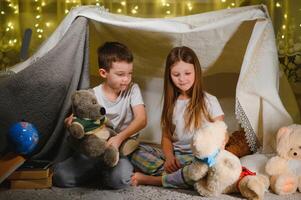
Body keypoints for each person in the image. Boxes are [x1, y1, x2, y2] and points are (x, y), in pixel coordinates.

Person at [53, 41, 147, 189]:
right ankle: (99, 170)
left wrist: (118, 138)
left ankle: (106, 172)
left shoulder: (132, 89)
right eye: (120, 74)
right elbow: (77, 119)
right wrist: (71, 121)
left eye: (130, 73)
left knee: (120, 181)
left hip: (119, 148)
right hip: (95, 149)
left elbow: (141, 120)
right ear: (104, 73)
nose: (126, 79)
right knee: (60, 177)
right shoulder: (92, 94)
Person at [130, 46, 224, 188]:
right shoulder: (172, 103)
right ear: (169, 75)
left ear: (196, 72)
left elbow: (222, 132)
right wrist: (169, 157)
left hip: (197, 158)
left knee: (204, 168)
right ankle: (177, 177)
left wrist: (214, 153)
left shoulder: (210, 101)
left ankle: (154, 179)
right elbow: (166, 137)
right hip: (176, 156)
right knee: (134, 150)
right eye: (176, 74)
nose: (182, 79)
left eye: (187, 73)